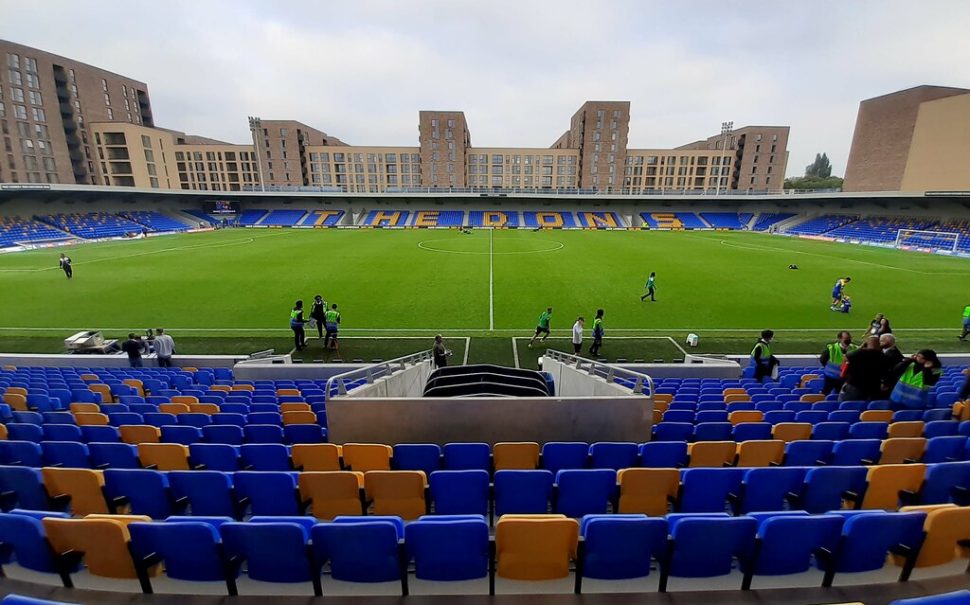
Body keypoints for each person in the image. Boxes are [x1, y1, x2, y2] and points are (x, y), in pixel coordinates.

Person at [839, 335, 884, 402]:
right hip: (874, 389)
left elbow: (845, 359)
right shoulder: (883, 356)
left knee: (846, 404)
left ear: (867, 343)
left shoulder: (857, 354)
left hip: (855, 388)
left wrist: (862, 346)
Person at [819, 331, 855, 395]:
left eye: (849, 338)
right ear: (839, 339)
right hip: (831, 377)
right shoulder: (831, 349)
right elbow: (823, 359)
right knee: (826, 393)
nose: (848, 340)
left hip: (846, 378)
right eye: (846, 339)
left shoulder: (854, 348)